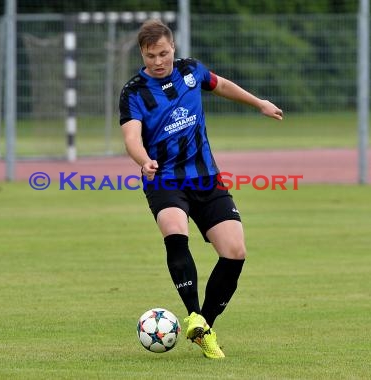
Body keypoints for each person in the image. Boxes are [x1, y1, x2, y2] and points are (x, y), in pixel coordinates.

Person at [119, 19, 283, 359]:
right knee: (175, 230)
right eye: (151, 56)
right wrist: (144, 160)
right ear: (142, 54)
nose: (158, 61)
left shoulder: (191, 71)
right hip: (163, 179)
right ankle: (193, 311)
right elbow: (131, 137)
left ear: (173, 49)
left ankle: (203, 326)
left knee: (235, 251)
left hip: (206, 177)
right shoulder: (134, 92)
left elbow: (221, 85)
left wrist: (259, 103)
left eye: (163, 54)